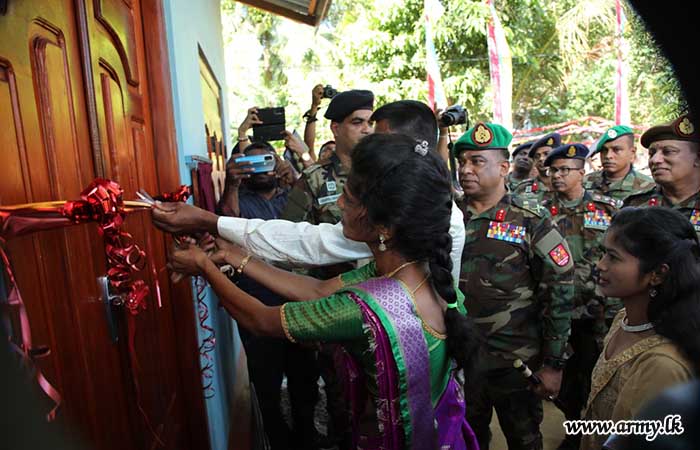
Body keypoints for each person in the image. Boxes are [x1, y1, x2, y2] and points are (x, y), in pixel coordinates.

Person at [162, 134, 481, 450]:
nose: (339, 203)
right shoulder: (416, 273)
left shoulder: (365, 309)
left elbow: (262, 320)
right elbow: (317, 289)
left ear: (385, 226)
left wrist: (204, 267)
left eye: (349, 199)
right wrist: (236, 256)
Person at [150, 100, 466, 284]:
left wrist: (209, 232)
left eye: (377, 137)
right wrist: (215, 229)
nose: (368, 138)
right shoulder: (401, 206)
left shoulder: (417, 216)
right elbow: (306, 240)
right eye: (362, 127)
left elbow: (310, 249)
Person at [453, 122, 575, 450]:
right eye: (462, 161)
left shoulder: (530, 221)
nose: (466, 169)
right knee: (468, 436)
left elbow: (560, 290)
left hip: (516, 363)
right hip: (462, 360)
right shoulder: (449, 218)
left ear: (504, 167)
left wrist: (553, 364)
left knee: (524, 440)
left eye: (477, 161)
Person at [216, 141, 318, 450]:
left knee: (305, 381)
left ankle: (307, 435)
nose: (258, 167)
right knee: (266, 383)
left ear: (275, 163)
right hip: (256, 303)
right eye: (250, 163)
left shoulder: (293, 198)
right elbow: (228, 219)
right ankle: (276, 440)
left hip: (299, 301)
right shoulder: (240, 201)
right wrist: (231, 183)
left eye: (265, 159)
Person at [579, 207, 697, 450]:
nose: (600, 265)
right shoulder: (624, 319)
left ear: (657, 274)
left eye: (613, 257)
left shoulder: (662, 364)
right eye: (603, 253)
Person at [539, 143, 622, 450]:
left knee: (594, 378)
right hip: (554, 312)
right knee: (560, 381)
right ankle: (574, 430)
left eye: (565, 170)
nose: (558, 176)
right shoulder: (539, 209)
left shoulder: (607, 209)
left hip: (596, 313)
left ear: (582, 172)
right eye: (553, 170)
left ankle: (588, 436)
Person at [280, 89, 374, 226]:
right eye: (357, 122)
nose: (367, 130)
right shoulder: (314, 178)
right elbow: (290, 232)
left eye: (370, 123)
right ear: (336, 129)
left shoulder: (385, 171)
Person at [623, 114, 700, 239]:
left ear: (698, 158)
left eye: (668, 151)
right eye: (652, 153)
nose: (655, 159)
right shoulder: (636, 205)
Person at [584, 125, 654, 202]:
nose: (608, 156)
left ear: (632, 153)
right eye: (604, 150)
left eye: (616, 150)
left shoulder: (648, 188)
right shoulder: (584, 183)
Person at [514, 132, 561, 200]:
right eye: (537, 156)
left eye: (546, 154)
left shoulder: (568, 185)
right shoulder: (523, 188)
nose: (541, 159)